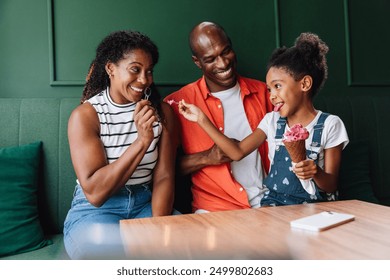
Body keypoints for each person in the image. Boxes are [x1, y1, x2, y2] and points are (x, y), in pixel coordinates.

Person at [178, 32, 349, 206]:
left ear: (304, 84)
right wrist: (202, 119)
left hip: (313, 209)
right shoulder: (271, 121)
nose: (272, 96)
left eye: (277, 86)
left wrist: (315, 172)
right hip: (273, 207)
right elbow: (237, 152)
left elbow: (330, 185)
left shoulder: (330, 125)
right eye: (269, 89)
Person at [63, 30, 177, 259]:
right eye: (135, 69)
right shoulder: (86, 116)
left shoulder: (162, 112)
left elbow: (164, 176)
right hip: (94, 211)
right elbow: (96, 193)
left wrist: (157, 229)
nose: (144, 79)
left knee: (182, 250)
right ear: (110, 68)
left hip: (146, 203)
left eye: (149, 71)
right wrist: (142, 141)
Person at [164, 22, 273, 213]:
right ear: (197, 62)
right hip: (214, 210)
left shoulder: (265, 93)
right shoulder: (177, 104)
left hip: (267, 203)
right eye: (210, 59)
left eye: (226, 52)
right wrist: (207, 158)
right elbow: (162, 169)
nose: (223, 63)